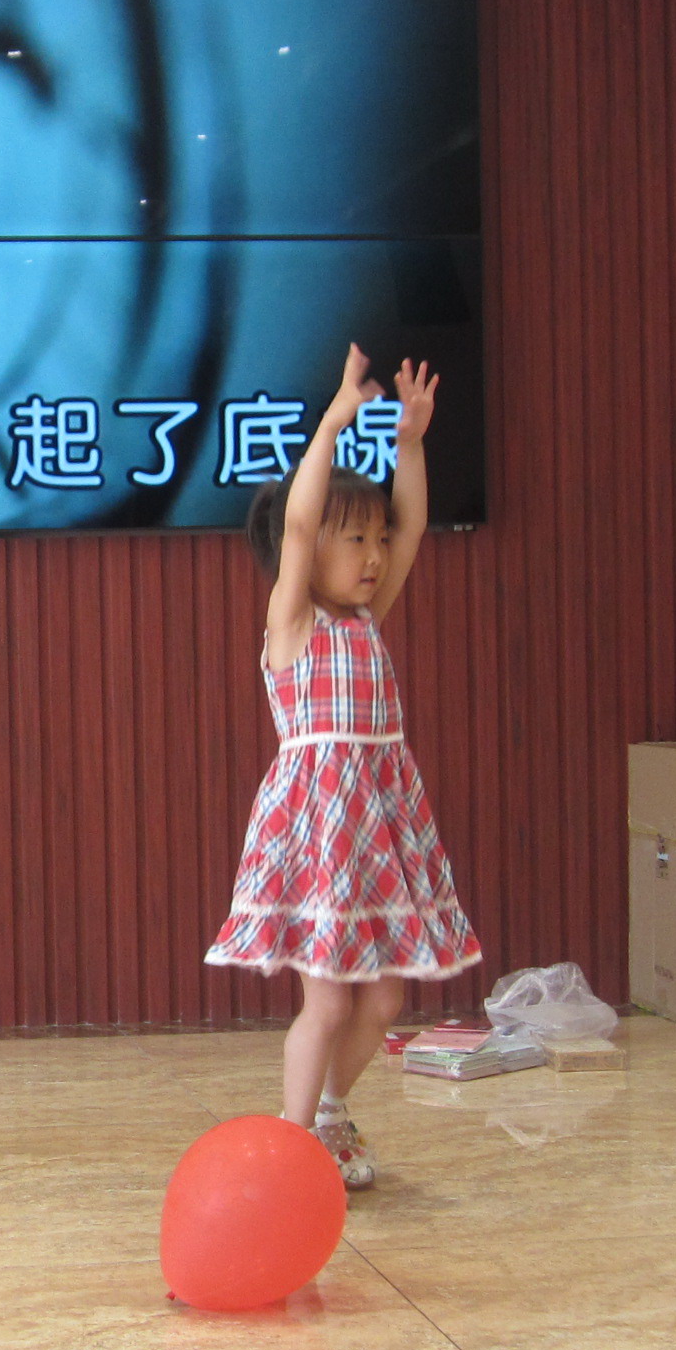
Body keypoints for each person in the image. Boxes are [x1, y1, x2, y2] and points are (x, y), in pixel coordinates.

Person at [207, 345, 481, 1189]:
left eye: (377, 540)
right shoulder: (293, 623)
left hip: (379, 826)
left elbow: (415, 526)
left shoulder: (368, 618)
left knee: (386, 997)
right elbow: (297, 524)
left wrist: (410, 443)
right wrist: (331, 424)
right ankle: (293, 1149)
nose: (374, 555)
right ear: (309, 547)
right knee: (326, 1000)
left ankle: (331, 1113)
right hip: (319, 830)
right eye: (354, 538)